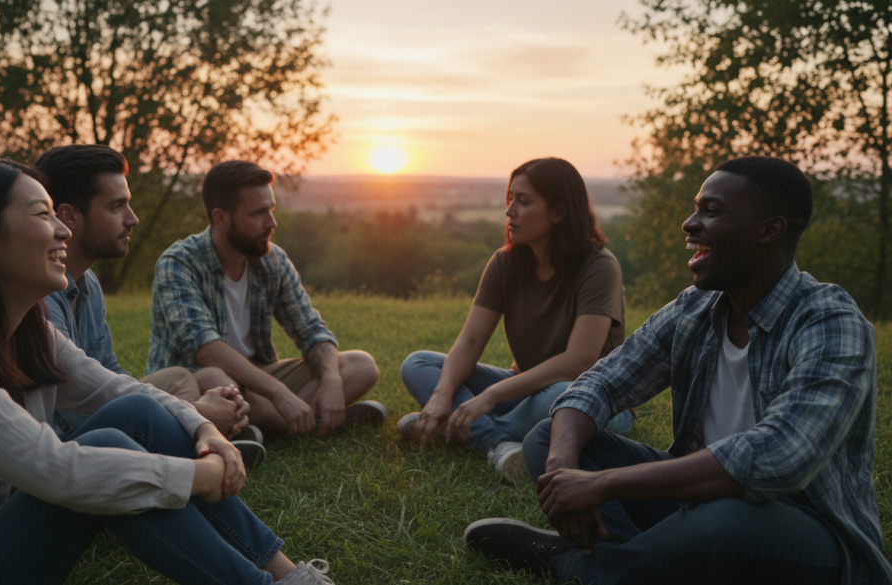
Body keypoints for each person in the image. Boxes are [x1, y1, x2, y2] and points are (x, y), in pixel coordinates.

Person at [0, 159, 334, 585]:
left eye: (57, 215)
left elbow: (115, 389)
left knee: (134, 411)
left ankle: (288, 575)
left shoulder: (27, 331)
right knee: (104, 449)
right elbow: (57, 469)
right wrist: (199, 476)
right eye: (41, 215)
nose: (62, 231)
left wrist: (203, 426)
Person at [464, 156, 892, 584]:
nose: (690, 223)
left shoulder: (830, 323)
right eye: (695, 208)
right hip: (700, 509)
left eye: (712, 211)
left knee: (729, 520)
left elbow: (776, 458)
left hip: (811, 536)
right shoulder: (695, 308)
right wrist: (563, 469)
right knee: (550, 436)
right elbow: (599, 383)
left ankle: (577, 565)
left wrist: (605, 484)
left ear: (769, 230)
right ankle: (638, 561)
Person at [398, 157, 632, 482]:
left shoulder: (598, 266)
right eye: (510, 199)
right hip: (526, 392)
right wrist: (441, 394)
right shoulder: (505, 263)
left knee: (559, 395)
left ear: (559, 212)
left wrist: (490, 396)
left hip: (593, 400)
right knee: (419, 363)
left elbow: (578, 362)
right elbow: (469, 342)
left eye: (523, 202)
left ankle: (452, 429)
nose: (510, 211)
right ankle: (497, 444)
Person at [33, 145, 264, 467]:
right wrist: (196, 413)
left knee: (180, 378)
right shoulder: (37, 295)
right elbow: (74, 401)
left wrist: (191, 409)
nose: (133, 219)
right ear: (69, 215)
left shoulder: (89, 284)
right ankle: (199, 448)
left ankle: (200, 439)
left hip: (103, 409)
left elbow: (110, 371)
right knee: (185, 396)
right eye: (117, 207)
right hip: (68, 440)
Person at [147, 160, 386, 439]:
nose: (271, 223)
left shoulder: (272, 260)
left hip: (257, 379)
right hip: (197, 383)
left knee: (360, 365)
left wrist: (332, 381)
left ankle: (265, 426)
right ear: (221, 218)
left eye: (270, 210)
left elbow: (311, 330)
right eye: (259, 213)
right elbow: (205, 348)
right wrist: (280, 393)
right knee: (219, 382)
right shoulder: (178, 263)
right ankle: (310, 424)